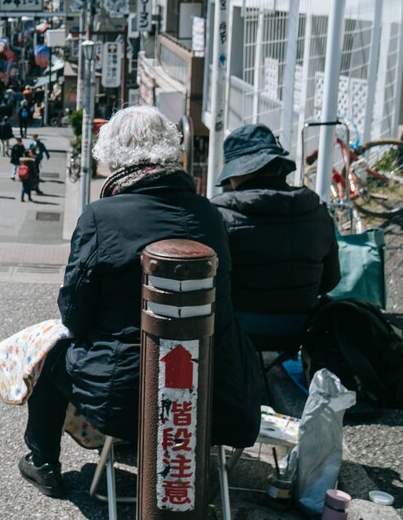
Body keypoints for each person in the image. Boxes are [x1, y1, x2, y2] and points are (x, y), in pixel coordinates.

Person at [18, 106, 262, 497]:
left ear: (113, 156)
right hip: (218, 392)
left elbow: (75, 314)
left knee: (51, 356)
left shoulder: (101, 217)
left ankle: (43, 460)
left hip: (127, 400)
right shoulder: (210, 214)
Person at [210, 124, 340, 338]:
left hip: (237, 327)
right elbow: (330, 280)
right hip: (300, 326)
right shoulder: (317, 211)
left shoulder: (219, 216)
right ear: (279, 167)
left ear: (237, 175)